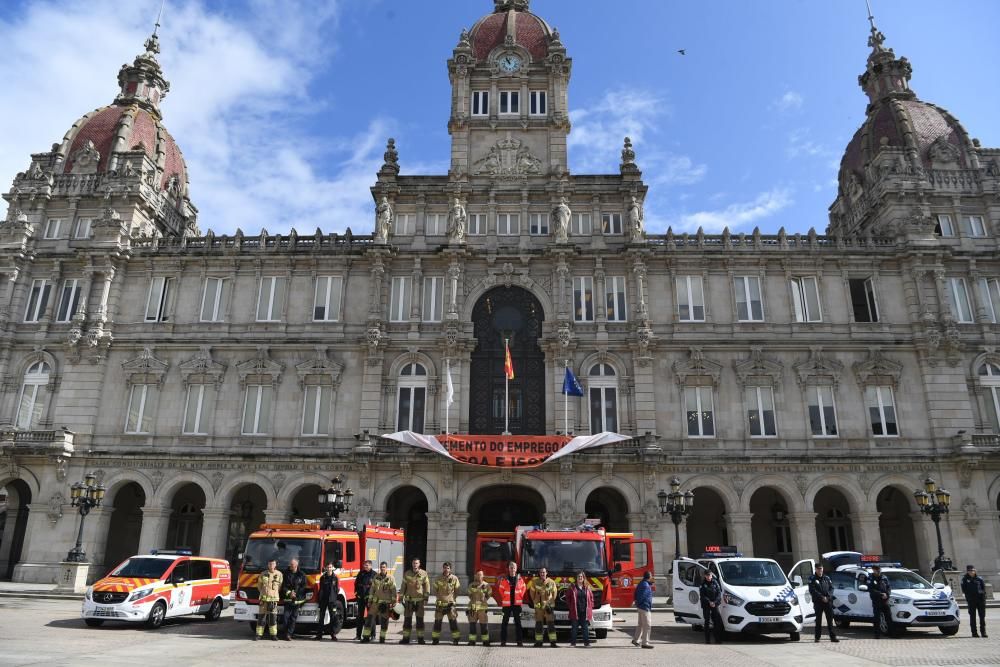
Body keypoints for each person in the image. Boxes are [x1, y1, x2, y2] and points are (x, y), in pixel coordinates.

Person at [362, 561, 397, 644]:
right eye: (381, 567)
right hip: (375, 603)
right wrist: (370, 601)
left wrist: (393, 602)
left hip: (385, 604)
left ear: (386, 568)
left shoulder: (390, 578)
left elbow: (393, 591)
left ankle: (382, 638)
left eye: (384, 567)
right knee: (369, 620)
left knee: (384, 622)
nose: (382, 569)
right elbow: (372, 589)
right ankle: (366, 637)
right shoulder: (376, 577)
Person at [400, 558, 430, 644]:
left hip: (419, 601)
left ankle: (420, 639)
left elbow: (427, 586)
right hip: (409, 601)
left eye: (416, 563)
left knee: (420, 621)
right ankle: (405, 639)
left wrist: (426, 598)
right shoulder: (407, 573)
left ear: (419, 564)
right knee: (407, 621)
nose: (415, 565)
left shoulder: (424, 574)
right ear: (412, 564)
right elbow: (403, 586)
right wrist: (401, 597)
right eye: (413, 563)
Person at [496, 560, 526, 646]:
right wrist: (505, 598)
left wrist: (519, 597)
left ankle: (519, 641)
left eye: (514, 567)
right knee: (504, 623)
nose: (512, 569)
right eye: (511, 567)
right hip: (507, 605)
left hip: (517, 605)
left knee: (518, 623)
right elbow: (501, 590)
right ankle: (503, 641)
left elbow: (523, 589)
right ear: (508, 569)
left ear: (516, 569)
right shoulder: (504, 579)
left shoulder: (520, 579)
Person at [431, 561, 461, 645]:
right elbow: (435, 590)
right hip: (440, 605)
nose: (446, 569)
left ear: (450, 569)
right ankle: (435, 639)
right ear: (443, 568)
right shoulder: (438, 578)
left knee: (453, 623)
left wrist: (453, 599)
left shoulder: (454, 578)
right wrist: (439, 598)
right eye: (445, 568)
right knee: (437, 623)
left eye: (448, 568)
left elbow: (457, 590)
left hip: (450, 605)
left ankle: (456, 640)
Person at [808, 564, 839, 643]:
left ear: (823, 569)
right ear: (815, 569)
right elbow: (812, 590)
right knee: (818, 620)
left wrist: (828, 597)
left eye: (821, 568)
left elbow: (831, 588)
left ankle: (833, 637)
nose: (820, 570)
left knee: (830, 620)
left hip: (827, 602)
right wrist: (822, 597)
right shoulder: (812, 579)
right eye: (818, 569)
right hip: (818, 602)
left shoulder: (827, 578)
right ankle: (817, 637)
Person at [528, 567, 558, 647]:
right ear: (539, 573)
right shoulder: (535, 582)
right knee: (538, 624)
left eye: (544, 572)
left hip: (548, 606)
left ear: (546, 573)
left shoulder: (551, 582)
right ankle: (538, 642)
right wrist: (535, 601)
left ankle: (553, 642)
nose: (542, 574)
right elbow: (532, 593)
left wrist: (550, 603)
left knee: (551, 624)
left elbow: (554, 594)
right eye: (541, 572)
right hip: (538, 606)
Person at [255, 558, 282, 641]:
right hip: (263, 600)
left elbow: (280, 586)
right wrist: (263, 593)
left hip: (273, 600)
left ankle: (273, 635)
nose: (271, 566)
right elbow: (259, 585)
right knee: (261, 618)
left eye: (273, 564)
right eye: (270, 564)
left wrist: (273, 594)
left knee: (273, 618)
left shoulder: (279, 574)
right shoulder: (263, 574)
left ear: (275, 565)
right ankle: (259, 635)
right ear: (268, 565)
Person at [281, 558, 308, 640]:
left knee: (293, 618)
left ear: (296, 565)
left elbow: (303, 586)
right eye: (290, 564)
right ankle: (285, 633)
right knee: (285, 618)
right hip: (288, 600)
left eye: (292, 564)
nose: (290, 566)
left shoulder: (302, 574)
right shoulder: (286, 574)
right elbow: (283, 586)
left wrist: (296, 593)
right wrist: (289, 593)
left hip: (297, 600)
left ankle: (289, 634)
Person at [566, 570, 594, 647]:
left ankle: (586, 643)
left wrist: (591, 606)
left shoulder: (587, 587)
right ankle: (573, 643)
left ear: (583, 577)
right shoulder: (572, 587)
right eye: (578, 576)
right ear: (576, 578)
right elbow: (567, 598)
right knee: (574, 628)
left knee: (585, 628)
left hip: (585, 611)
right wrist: (570, 606)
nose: (580, 578)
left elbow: (591, 598)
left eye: (581, 576)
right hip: (575, 611)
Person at [466, 570, 493, 646]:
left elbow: (489, 594)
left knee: (484, 625)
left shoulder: (487, 585)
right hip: (473, 608)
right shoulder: (471, 585)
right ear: (475, 576)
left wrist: (484, 600)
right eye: (477, 575)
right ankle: (472, 641)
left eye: (480, 575)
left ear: (483, 576)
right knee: (472, 625)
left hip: (482, 608)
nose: (479, 576)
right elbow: (469, 594)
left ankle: (485, 641)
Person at [961, 564, 988, 638]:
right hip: (971, 601)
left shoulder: (980, 579)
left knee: (982, 617)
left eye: (972, 570)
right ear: (967, 572)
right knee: (972, 617)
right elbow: (964, 590)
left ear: (975, 571)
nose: (971, 572)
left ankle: (983, 632)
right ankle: (974, 633)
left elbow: (983, 589)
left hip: (980, 600)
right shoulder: (965, 579)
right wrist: (969, 596)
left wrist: (983, 597)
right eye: (969, 571)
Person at [316, 562, 340, 641]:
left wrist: (334, 597)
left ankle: (333, 635)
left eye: (330, 567)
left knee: (333, 618)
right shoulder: (323, 577)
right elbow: (321, 589)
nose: (329, 569)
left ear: (332, 568)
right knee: (321, 617)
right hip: (323, 600)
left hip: (332, 601)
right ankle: (319, 635)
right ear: (326, 568)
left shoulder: (335, 578)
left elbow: (337, 589)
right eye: (328, 567)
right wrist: (319, 599)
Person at [699, 569, 724, 644]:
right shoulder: (703, 584)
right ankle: (708, 640)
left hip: (715, 604)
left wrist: (715, 602)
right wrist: (709, 602)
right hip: (706, 605)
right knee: (707, 622)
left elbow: (719, 594)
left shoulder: (715, 582)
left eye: (710, 575)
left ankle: (717, 639)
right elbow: (702, 595)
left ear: (711, 575)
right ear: (705, 576)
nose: (709, 576)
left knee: (717, 621)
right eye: (707, 575)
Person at [868, 565, 892, 639]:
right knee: (877, 618)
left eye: (879, 569)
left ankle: (891, 633)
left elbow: (889, 587)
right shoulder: (870, 578)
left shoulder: (884, 577)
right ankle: (877, 634)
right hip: (876, 600)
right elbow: (871, 589)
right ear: (873, 570)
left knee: (888, 617)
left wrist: (887, 594)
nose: (878, 571)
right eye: (877, 569)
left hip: (885, 600)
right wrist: (880, 594)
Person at [354, 560, 375, 641]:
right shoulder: (361, 573)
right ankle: (358, 635)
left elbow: (376, 587)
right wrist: (356, 594)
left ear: (371, 566)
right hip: (361, 597)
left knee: (371, 617)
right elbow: (356, 584)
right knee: (359, 617)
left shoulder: (374, 575)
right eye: (364, 565)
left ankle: (373, 635)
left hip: (370, 598)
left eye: (367, 565)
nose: (365, 566)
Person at [632, 570, 654, 649]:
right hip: (645, 607)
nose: (652, 577)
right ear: (649, 576)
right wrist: (640, 604)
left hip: (641, 607)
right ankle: (645, 642)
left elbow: (635, 593)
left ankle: (636, 640)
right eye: (651, 575)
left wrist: (637, 603)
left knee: (640, 624)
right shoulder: (645, 585)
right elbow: (643, 597)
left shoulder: (642, 583)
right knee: (647, 625)